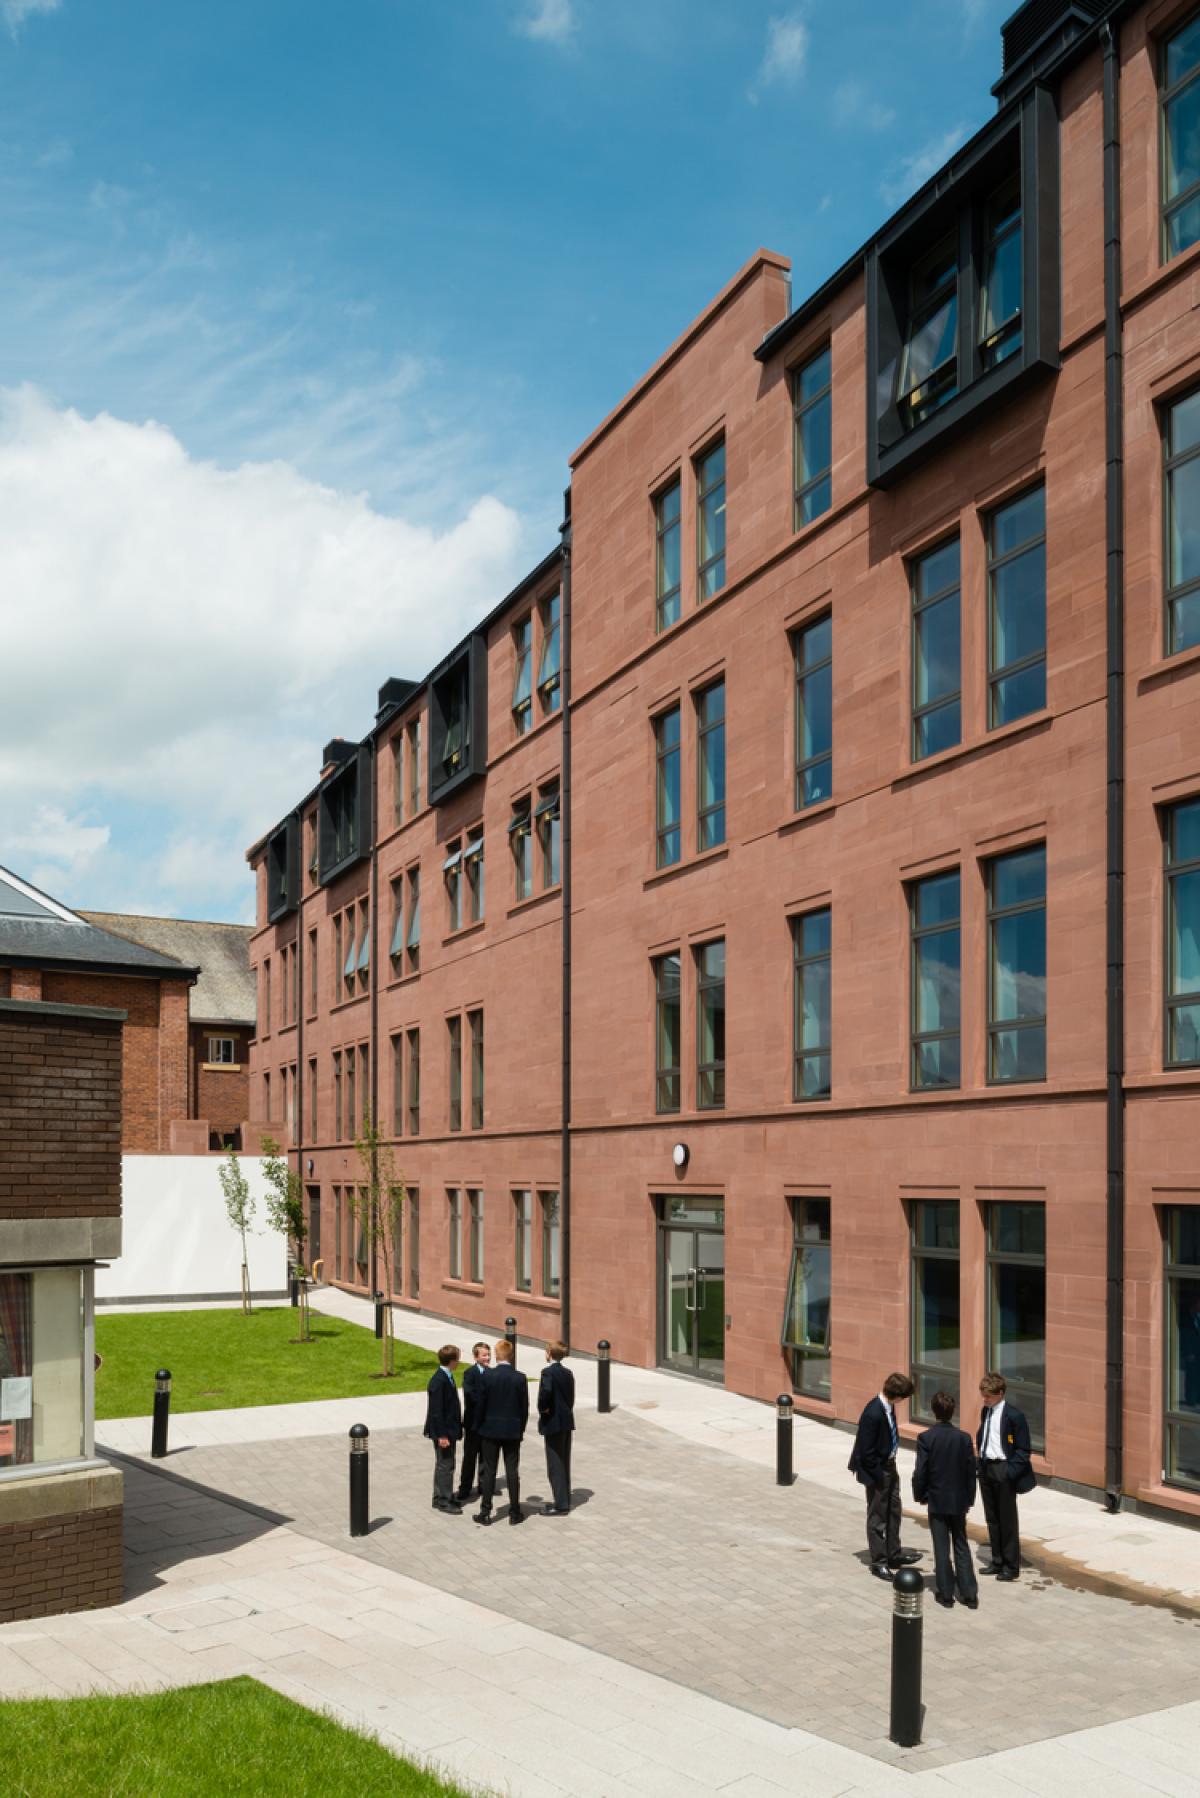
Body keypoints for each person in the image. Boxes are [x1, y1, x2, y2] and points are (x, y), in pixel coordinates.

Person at [848, 1372, 921, 1580]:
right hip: (879, 1471)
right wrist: (879, 1475)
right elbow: (866, 1451)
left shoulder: (888, 1407)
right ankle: (879, 1561)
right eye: (904, 1398)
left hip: (890, 1466)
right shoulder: (873, 1413)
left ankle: (893, 1554)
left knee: (894, 1512)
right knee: (878, 1516)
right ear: (896, 1396)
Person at [912, 1390, 979, 1610]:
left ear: (933, 1411)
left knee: (941, 1547)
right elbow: (971, 1472)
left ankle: (946, 1593)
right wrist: (970, 1498)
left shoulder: (926, 1438)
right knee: (961, 1544)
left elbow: (921, 1471)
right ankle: (969, 1593)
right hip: (959, 1500)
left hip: (938, 1500)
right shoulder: (964, 1438)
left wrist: (920, 1495)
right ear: (953, 1411)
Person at [975, 1371, 1035, 1581]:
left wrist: (1009, 1473)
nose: (985, 1399)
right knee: (992, 1519)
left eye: (988, 1396)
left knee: (1007, 1520)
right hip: (986, 1468)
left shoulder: (1014, 1416)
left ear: (1000, 1393)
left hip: (1003, 1470)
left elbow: (1023, 1450)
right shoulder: (986, 1411)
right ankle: (997, 1560)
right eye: (983, 1395)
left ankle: (1011, 1565)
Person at [474, 1338, 529, 1527]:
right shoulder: (520, 1378)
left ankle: (485, 1512)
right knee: (512, 1471)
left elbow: (480, 1405)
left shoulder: (487, 1376)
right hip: (512, 1431)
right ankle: (515, 1512)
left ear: (496, 1356)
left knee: (489, 1471)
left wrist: (479, 1426)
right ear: (511, 1355)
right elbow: (524, 1408)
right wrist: (520, 1429)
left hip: (490, 1430)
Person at [423, 1344, 463, 1515]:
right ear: (452, 1361)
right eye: (457, 1359)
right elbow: (437, 1412)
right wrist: (442, 1435)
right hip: (443, 1431)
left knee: (444, 1464)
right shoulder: (439, 1381)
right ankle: (444, 1500)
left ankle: (440, 1496)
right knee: (446, 1464)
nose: (459, 1362)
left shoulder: (446, 1377)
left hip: (447, 1430)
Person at [538, 1339, 575, 1515]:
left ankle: (560, 1504)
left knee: (555, 1464)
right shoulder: (568, 1373)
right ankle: (564, 1497)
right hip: (566, 1421)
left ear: (550, 1354)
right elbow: (571, 1398)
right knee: (564, 1460)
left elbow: (545, 1394)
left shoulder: (547, 1373)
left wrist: (543, 1409)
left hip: (553, 1422)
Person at [454, 1341, 492, 1505]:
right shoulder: (469, 1373)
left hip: (487, 1423)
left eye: (489, 1354)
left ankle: (484, 1486)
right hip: (473, 1423)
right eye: (484, 1355)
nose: (487, 1358)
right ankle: (465, 1488)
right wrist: (487, 1399)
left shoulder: (492, 1373)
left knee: (486, 1456)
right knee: (470, 1456)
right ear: (476, 1357)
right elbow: (470, 1394)